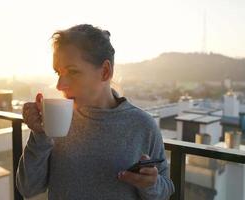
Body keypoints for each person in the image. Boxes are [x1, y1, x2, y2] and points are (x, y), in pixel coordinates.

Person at [16, 24, 175, 200]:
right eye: (58, 73)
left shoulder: (142, 125)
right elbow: (28, 188)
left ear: (105, 72)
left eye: (73, 72)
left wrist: (151, 184)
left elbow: (166, 190)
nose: (60, 85)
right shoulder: (57, 121)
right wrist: (39, 134)